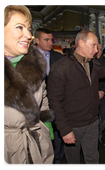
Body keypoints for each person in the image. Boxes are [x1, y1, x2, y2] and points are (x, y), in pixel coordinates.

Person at [47, 30, 105, 164]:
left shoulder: (92, 63)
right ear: (81, 43)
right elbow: (54, 101)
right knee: (73, 161)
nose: (96, 50)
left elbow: (104, 72)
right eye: (93, 45)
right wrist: (65, 130)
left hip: (92, 122)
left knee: (93, 158)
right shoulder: (61, 67)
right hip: (72, 125)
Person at [2, 3, 54, 164]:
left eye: (28, 28)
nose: (28, 35)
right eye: (19, 27)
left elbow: (43, 100)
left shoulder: (35, 65)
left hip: (38, 145)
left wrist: (47, 128)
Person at [34, 27, 65, 164]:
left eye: (51, 39)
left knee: (58, 136)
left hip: (57, 104)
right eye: (46, 40)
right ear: (36, 40)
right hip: (36, 107)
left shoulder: (59, 58)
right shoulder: (27, 58)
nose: (50, 43)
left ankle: (57, 162)